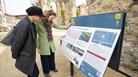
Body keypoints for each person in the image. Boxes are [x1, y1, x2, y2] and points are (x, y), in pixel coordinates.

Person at [35, 10, 70, 77]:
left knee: (51, 56)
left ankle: (52, 67)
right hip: (43, 43)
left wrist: (66, 27)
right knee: (44, 58)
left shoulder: (51, 23)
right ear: (48, 15)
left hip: (50, 42)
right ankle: (46, 72)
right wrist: (37, 44)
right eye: (52, 17)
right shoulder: (39, 23)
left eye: (53, 18)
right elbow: (35, 34)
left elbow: (58, 26)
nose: (52, 19)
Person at [11, 6, 43, 77]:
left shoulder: (31, 23)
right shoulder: (24, 24)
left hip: (29, 55)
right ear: (35, 15)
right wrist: (15, 55)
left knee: (32, 73)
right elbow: (17, 42)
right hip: (25, 55)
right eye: (40, 16)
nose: (40, 18)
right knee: (34, 73)